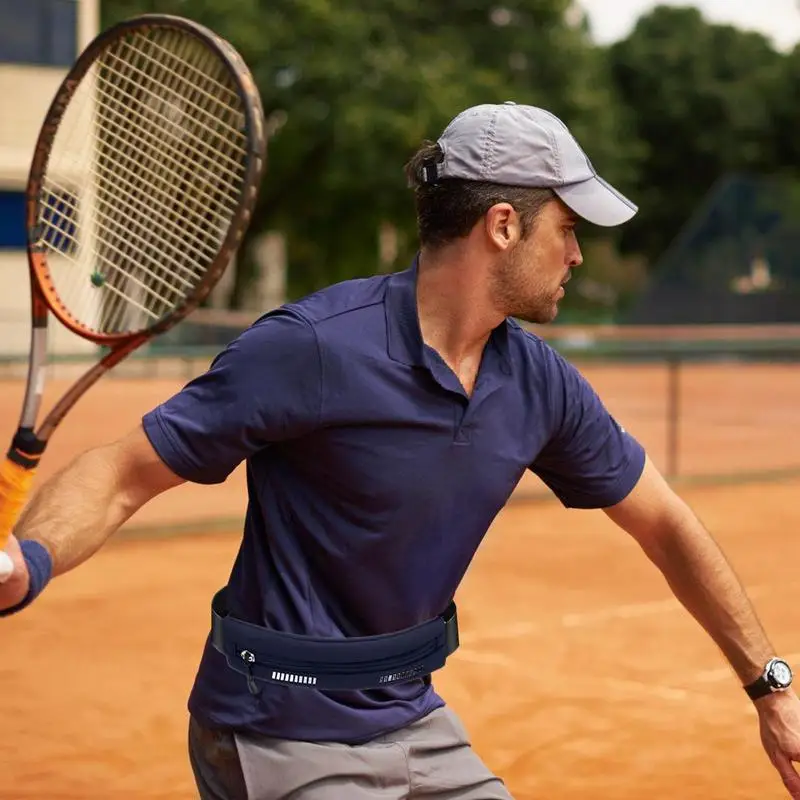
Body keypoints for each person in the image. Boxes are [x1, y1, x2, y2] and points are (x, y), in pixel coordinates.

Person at [2, 101, 800, 800]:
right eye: (568, 228)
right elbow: (120, 472)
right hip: (279, 722)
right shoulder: (315, 348)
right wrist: (30, 561)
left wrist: (769, 685)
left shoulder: (537, 383)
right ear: (503, 225)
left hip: (408, 715)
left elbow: (664, 522)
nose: (579, 255)